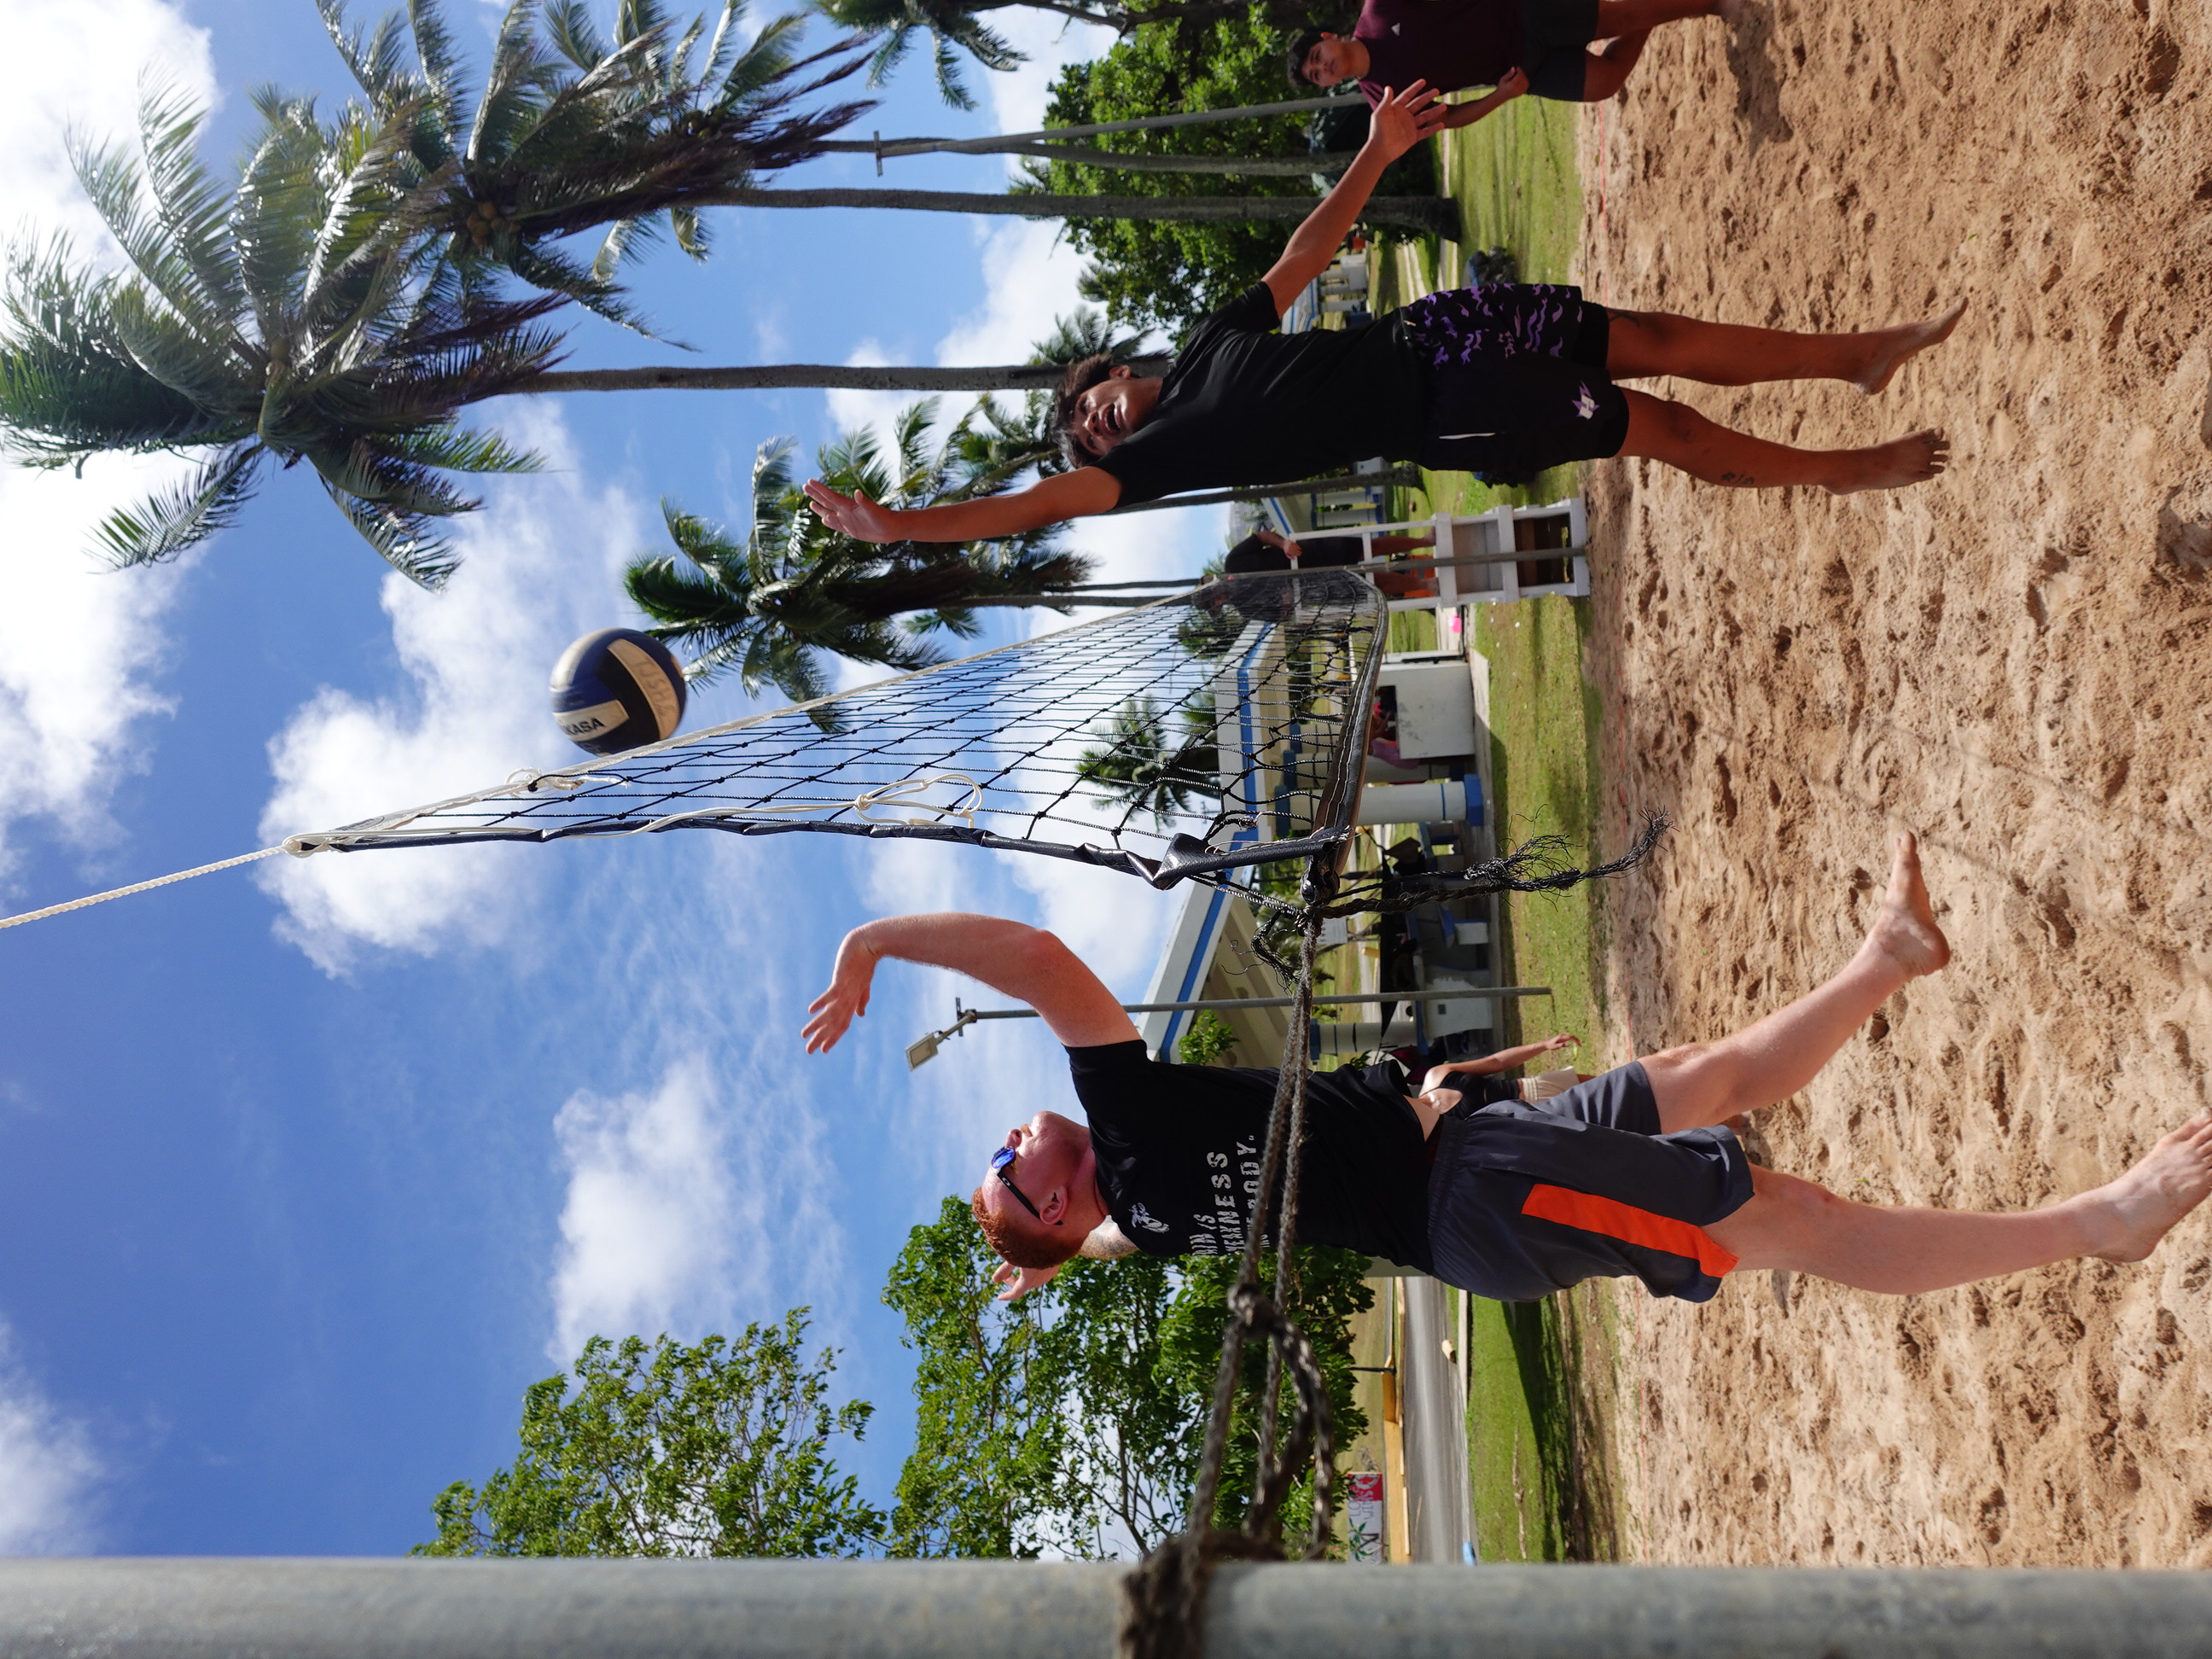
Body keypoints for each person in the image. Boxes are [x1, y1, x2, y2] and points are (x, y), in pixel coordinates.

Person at [802, 836, 2212, 1309]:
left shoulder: (1147, 1214)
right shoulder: (1127, 1131)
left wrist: (1035, 1258)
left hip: (1468, 1158)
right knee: (1788, 1216)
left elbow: (1101, 1231)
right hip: (1472, 1194)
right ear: (1046, 1194)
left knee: (1699, 1073)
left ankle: (1887, 957)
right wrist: (874, 937)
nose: (1003, 1134)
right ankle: (2101, 1222)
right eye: (1000, 1165)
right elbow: (1036, 956)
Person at [802, 84, 1959, 553]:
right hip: (1445, 411)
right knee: (1658, 427)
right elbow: (1023, 510)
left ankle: (1853, 356)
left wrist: (1377, 149)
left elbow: (1305, 255)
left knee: (1647, 334)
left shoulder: (1210, 341)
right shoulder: (1147, 466)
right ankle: (1842, 469)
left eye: (1091, 402)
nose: (1096, 422)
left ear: (1114, 369)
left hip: (1441, 331)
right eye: (1090, 433)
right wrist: (902, 529)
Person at [1289, 0, 1737, 127]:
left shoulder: (1379, 9)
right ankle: (1662, 7)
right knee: (1605, 81)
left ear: (1328, 38)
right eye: (1316, 75)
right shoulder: (1381, 102)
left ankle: (1713, 4)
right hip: (1518, 73)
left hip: (1523, 13)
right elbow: (1449, 118)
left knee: (1618, 17)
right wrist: (1503, 95)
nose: (1323, 69)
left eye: (1316, 57)